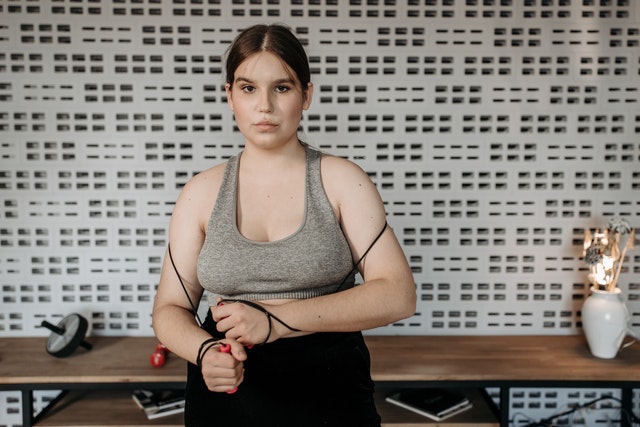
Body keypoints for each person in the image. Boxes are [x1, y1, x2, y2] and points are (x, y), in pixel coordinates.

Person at [152, 23, 416, 427]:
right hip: (228, 397)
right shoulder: (200, 193)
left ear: (306, 95)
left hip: (331, 397)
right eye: (248, 88)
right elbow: (170, 308)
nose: (264, 107)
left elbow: (398, 295)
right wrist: (205, 353)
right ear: (229, 96)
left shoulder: (343, 180)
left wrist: (274, 320)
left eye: (282, 87)